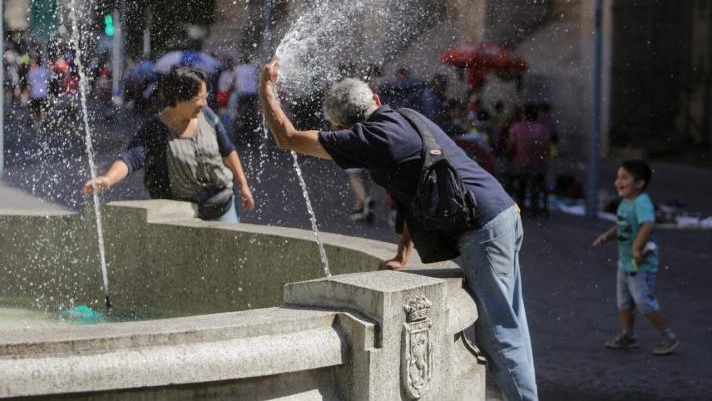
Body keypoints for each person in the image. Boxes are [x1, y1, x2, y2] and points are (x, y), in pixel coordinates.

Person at [258, 58, 537, 400]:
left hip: (481, 228)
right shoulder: (405, 116)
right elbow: (418, 191)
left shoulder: (370, 139)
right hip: (501, 211)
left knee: (500, 335)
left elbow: (287, 138)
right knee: (513, 325)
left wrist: (267, 90)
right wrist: (402, 254)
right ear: (374, 98)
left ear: (342, 126)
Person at [82, 66, 255, 222]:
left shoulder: (208, 116)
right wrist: (108, 179)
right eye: (199, 99)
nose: (205, 103)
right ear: (179, 99)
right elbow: (130, 159)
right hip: (182, 214)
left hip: (222, 205)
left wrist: (243, 184)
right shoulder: (156, 128)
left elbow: (228, 150)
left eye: (205, 98)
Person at [592, 160, 678, 355]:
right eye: (617, 177)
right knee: (624, 302)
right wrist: (607, 236)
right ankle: (628, 335)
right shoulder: (625, 202)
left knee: (644, 301)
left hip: (641, 264)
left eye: (624, 178)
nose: (617, 182)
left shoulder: (642, 203)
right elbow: (622, 226)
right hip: (625, 262)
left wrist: (637, 248)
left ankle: (668, 336)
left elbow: (648, 225)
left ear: (639, 183)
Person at [507, 103, 551, 215]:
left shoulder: (516, 127)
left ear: (523, 115)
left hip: (521, 165)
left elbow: (510, 147)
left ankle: (520, 205)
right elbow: (547, 148)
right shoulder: (544, 129)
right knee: (536, 184)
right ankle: (534, 206)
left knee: (521, 183)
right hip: (540, 166)